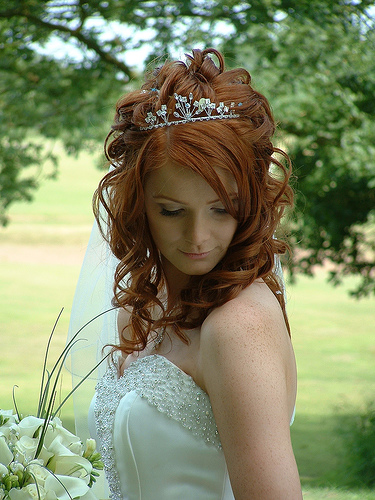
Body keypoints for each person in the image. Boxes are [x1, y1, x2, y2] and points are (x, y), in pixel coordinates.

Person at [70, 47, 302, 499]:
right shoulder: (143, 310)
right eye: (173, 211)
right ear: (140, 208)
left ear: (248, 206)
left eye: (222, 209)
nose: (198, 237)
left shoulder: (238, 327)